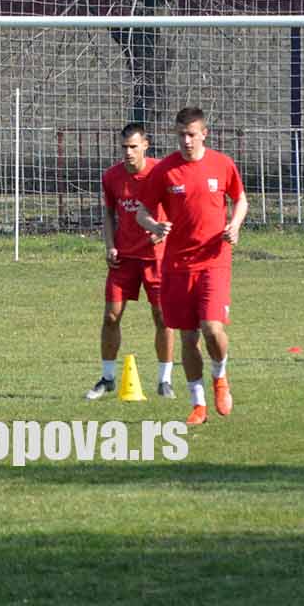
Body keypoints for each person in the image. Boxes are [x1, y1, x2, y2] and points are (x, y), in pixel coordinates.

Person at [135, 107, 247, 426]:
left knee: (212, 328)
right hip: (177, 266)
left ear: (204, 134)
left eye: (192, 134)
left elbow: (240, 199)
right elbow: (141, 211)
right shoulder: (165, 171)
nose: (186, 141)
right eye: (181, 134)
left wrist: (235, 224)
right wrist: (154, 226)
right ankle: (198, 404)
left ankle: (220, 377)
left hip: (214, 260)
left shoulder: (222, 164)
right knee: (188, 338)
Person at [86, 123, 176, 400]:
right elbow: (109, 214)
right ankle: (108, 377)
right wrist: (110, 246)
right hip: (124, 259)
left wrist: (164, 232)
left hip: (156, 259)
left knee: (162, 317)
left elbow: (177, 210)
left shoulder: (162, 173)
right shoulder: (111, 176)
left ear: (145, 146)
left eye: (133, 147)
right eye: (124, 147)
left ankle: (164, 381)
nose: (128, 153)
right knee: (111, 316)